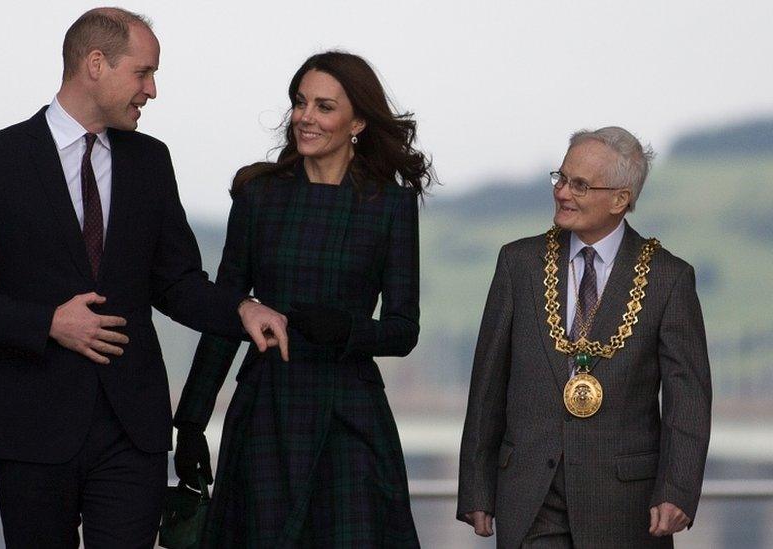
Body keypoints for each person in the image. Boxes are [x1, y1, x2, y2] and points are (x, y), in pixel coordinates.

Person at [0, 8, 288, 548]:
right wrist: (48, 322)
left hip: (132, 426)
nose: (153, 90)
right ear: (96, 63)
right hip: (29, 425)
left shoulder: (151, 161)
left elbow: (176, 281)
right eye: (143, 73)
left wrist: (241, 309)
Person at [171, 51, 433, 547]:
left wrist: (348, 329)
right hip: (267, 409)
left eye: (323, 106)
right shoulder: (259, 195)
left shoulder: (391, 206)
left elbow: (403, 329)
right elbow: (227, 311)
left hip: (349, 413)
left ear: (357, 121)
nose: (305, 117)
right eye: (300, 102)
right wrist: (190, 421)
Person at [457, 127, 712, 548]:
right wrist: (477, 487)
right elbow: (487, 384)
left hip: (626, 505)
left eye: (580, 185)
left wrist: (677, 488)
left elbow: (689, 399)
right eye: (561, 178)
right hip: (531, 496)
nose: (561, 193)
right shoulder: (517, 263)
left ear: (620, 199)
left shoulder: (670, 278)